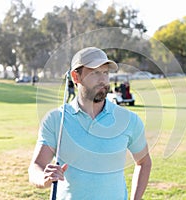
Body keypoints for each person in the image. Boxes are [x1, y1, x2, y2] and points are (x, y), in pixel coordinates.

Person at [28, 47, 152, 200]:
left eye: (105, 73)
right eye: (95, 72)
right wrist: (44, 178)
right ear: (76, 76)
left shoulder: (128, 120)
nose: (103, 80)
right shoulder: (55, 120)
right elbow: (36, 166)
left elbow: (144, 162)